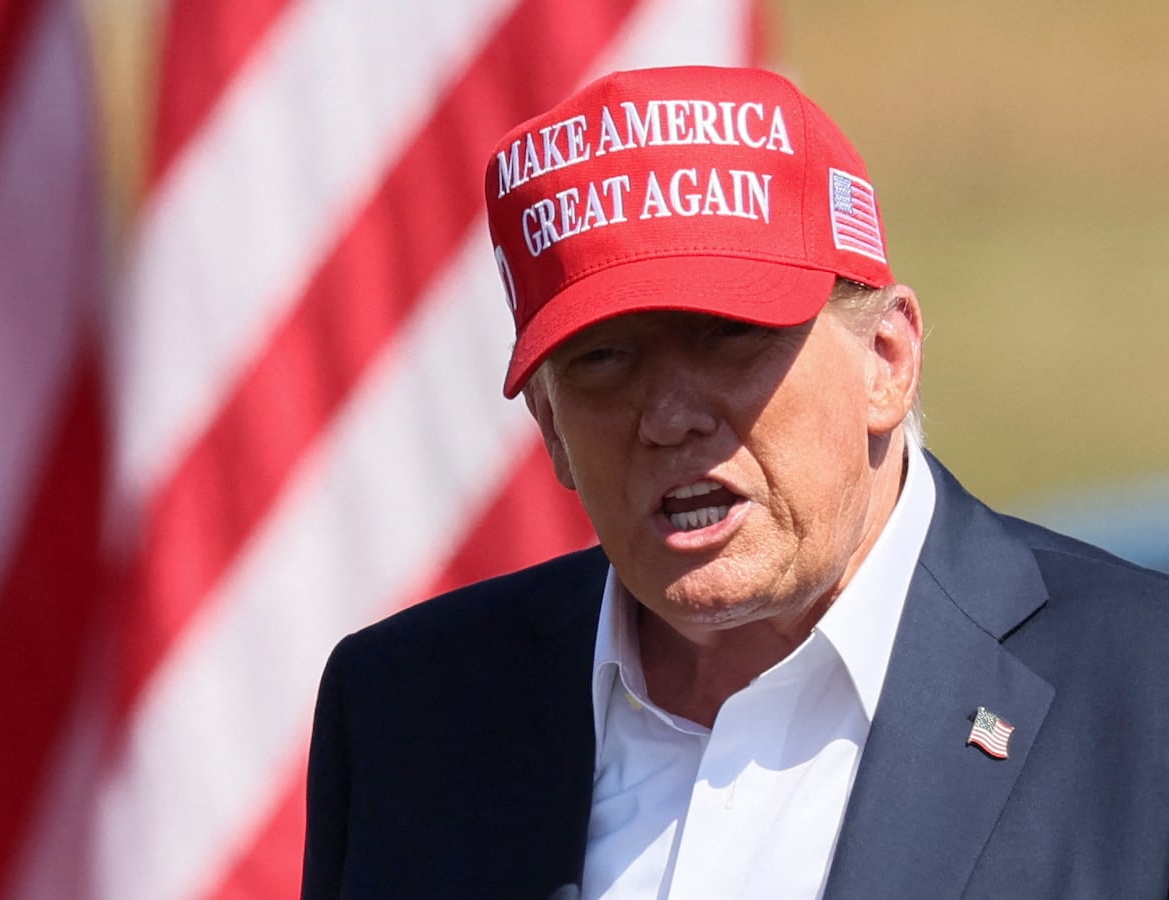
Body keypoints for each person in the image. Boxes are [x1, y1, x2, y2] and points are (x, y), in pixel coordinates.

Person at [300, 66, 1169, 899]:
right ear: (550, 429)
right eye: (603, 358)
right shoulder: (407, 714)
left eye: (727, 334)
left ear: (887, 361)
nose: (669, 415)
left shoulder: (1141, 691)